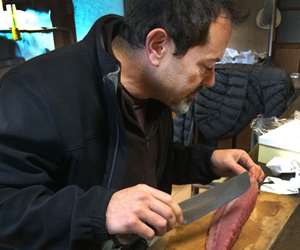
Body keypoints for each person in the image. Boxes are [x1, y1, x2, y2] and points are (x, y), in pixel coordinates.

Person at [0, 0, 265, 249]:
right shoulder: (33, 92)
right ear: (158, 46)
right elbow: (7, 209)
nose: (211, 81)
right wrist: (102, 211)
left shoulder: (154, 90)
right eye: (207, 66)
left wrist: (208, 161)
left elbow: (147, 161)